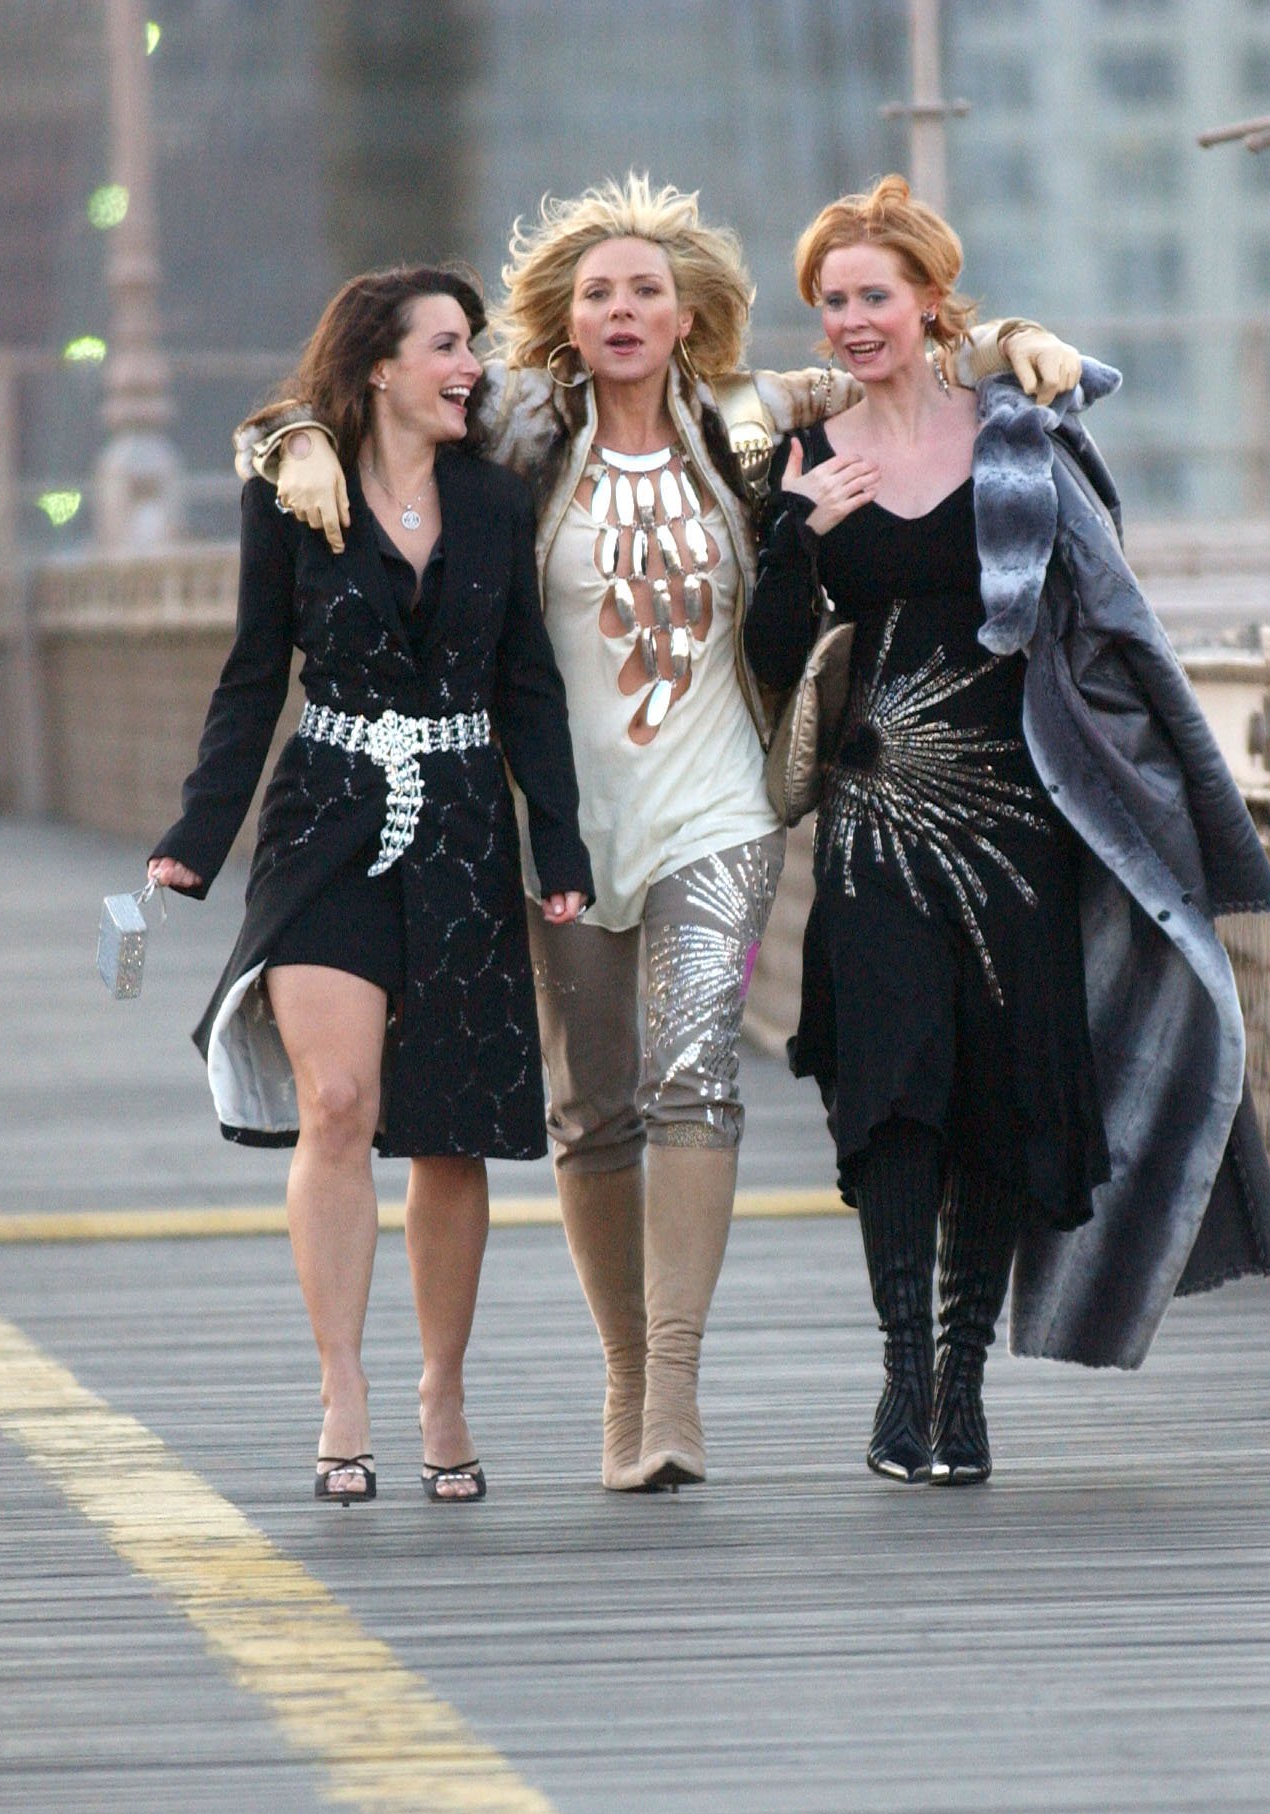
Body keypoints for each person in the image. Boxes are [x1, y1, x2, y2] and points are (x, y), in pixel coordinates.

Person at [236, 176, 1084, 1492]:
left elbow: (897, 346)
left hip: (717, 810)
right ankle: (621, 1374)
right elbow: (364, 400)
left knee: (695, 1074)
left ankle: (674, 1391)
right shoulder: (515, 429)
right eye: (596, 293)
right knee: (591, 1111)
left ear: (688, 316)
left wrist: (1017, 340)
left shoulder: (746, 419)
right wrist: (288, 438)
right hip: (562, 824)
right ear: (562, 325)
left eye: (646, 289)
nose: (622, 309)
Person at [744, 178, 1270, 1486]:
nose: (853, 321)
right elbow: (767, 664)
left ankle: (960, 1389)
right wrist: (791, 536)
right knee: (895, 1106)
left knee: (992, 1107)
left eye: (875, 295)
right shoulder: (806, 459)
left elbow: (1109, 620)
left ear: (935, 300)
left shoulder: (1020, 438)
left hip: (1017, 824)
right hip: (876, 829)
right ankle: (898, 1387)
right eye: (832, 302)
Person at [149, 264, 591, 1507]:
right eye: (448, 345)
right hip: (326, 822)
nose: (473, 366)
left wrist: (555, 844)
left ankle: (439, 1389)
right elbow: (251, 677)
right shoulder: (292, 495)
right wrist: (196, 830)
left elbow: (529, 687)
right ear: (380, 366)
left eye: (477, 346)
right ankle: (341, 1384)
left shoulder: (497, 503)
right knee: (338, 1101)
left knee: (448, 1131)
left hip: (459, 825)